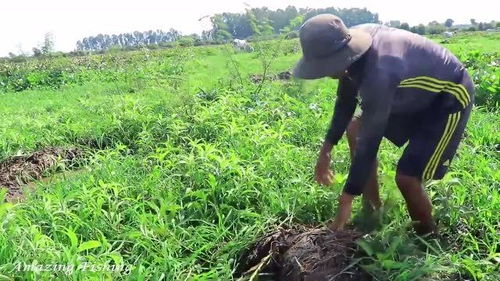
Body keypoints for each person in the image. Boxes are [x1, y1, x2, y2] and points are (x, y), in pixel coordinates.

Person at [293, 14, 474, 234]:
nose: (326, 72)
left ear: (342, 56)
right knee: (354, 128)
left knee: (407, 178)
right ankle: (373, 211)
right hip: (409, 93)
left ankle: (427, 238)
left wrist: (347, 197)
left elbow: (370, 140)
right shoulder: (350, 43)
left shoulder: (379, 71)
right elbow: (345, 100)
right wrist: (326, 150)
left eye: (326, 66)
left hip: (448, 97)